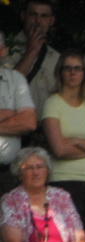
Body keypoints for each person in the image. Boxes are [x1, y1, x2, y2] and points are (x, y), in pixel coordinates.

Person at [41, 49, 85, 242]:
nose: (72, 73)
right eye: (67, 68)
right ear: (60, 72)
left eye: (77, 68)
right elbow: (59, 150)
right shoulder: (53, 104)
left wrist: (76, 140)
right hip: (64, 183)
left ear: (84, 73)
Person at [2, 0, 61, 111]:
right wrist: (32, 52)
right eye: (33, 15)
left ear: (52, 21)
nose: (38, 21)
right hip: (13, 125)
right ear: (23, 16)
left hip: (45, 126)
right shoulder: (5, 50)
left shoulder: (57, 58)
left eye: (44, 16)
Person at [0, 51, 36, 192]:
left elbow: (29, 122)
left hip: (6, 174)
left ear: (2, 51)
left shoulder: (15, 80)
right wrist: (9, 114)